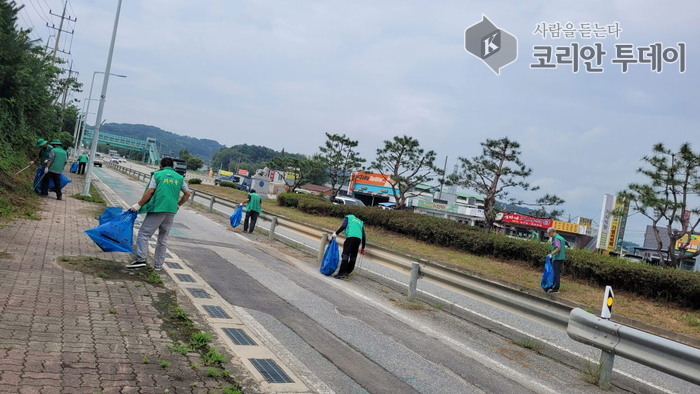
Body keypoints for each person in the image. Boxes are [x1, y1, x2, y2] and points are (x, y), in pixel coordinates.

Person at [126, 157, 192, 271]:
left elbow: (150, 191)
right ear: (172, 167)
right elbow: (187, 194)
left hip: (157, 208)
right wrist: (178, 205)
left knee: (144, 234)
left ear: (161, 166)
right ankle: (158, 266)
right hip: (171, 211)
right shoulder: (180, 177)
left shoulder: (158, 175)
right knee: (163, 239)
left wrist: (139, 204)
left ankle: (141, 259)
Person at [331, 214, 366, 279]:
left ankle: (341, 273)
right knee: (353, 256)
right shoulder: (360, 221)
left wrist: (336, 233)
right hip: (358, 239)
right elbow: (364, 235)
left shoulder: (348, 217)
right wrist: (363, 247)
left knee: (345, 255)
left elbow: (344, 226)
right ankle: (347, 272)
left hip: (350, 238)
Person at [546, 227, 566, 293]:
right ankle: (554, 286)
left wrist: (551, 254)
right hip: (561, 257)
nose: (548, 235)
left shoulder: (556, 238)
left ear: (551, 232)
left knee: (555, 273)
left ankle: (555, 288)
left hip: (557, 258)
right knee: (556, 273)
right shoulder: (561, 237)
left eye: (548, 233)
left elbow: (558, 248)